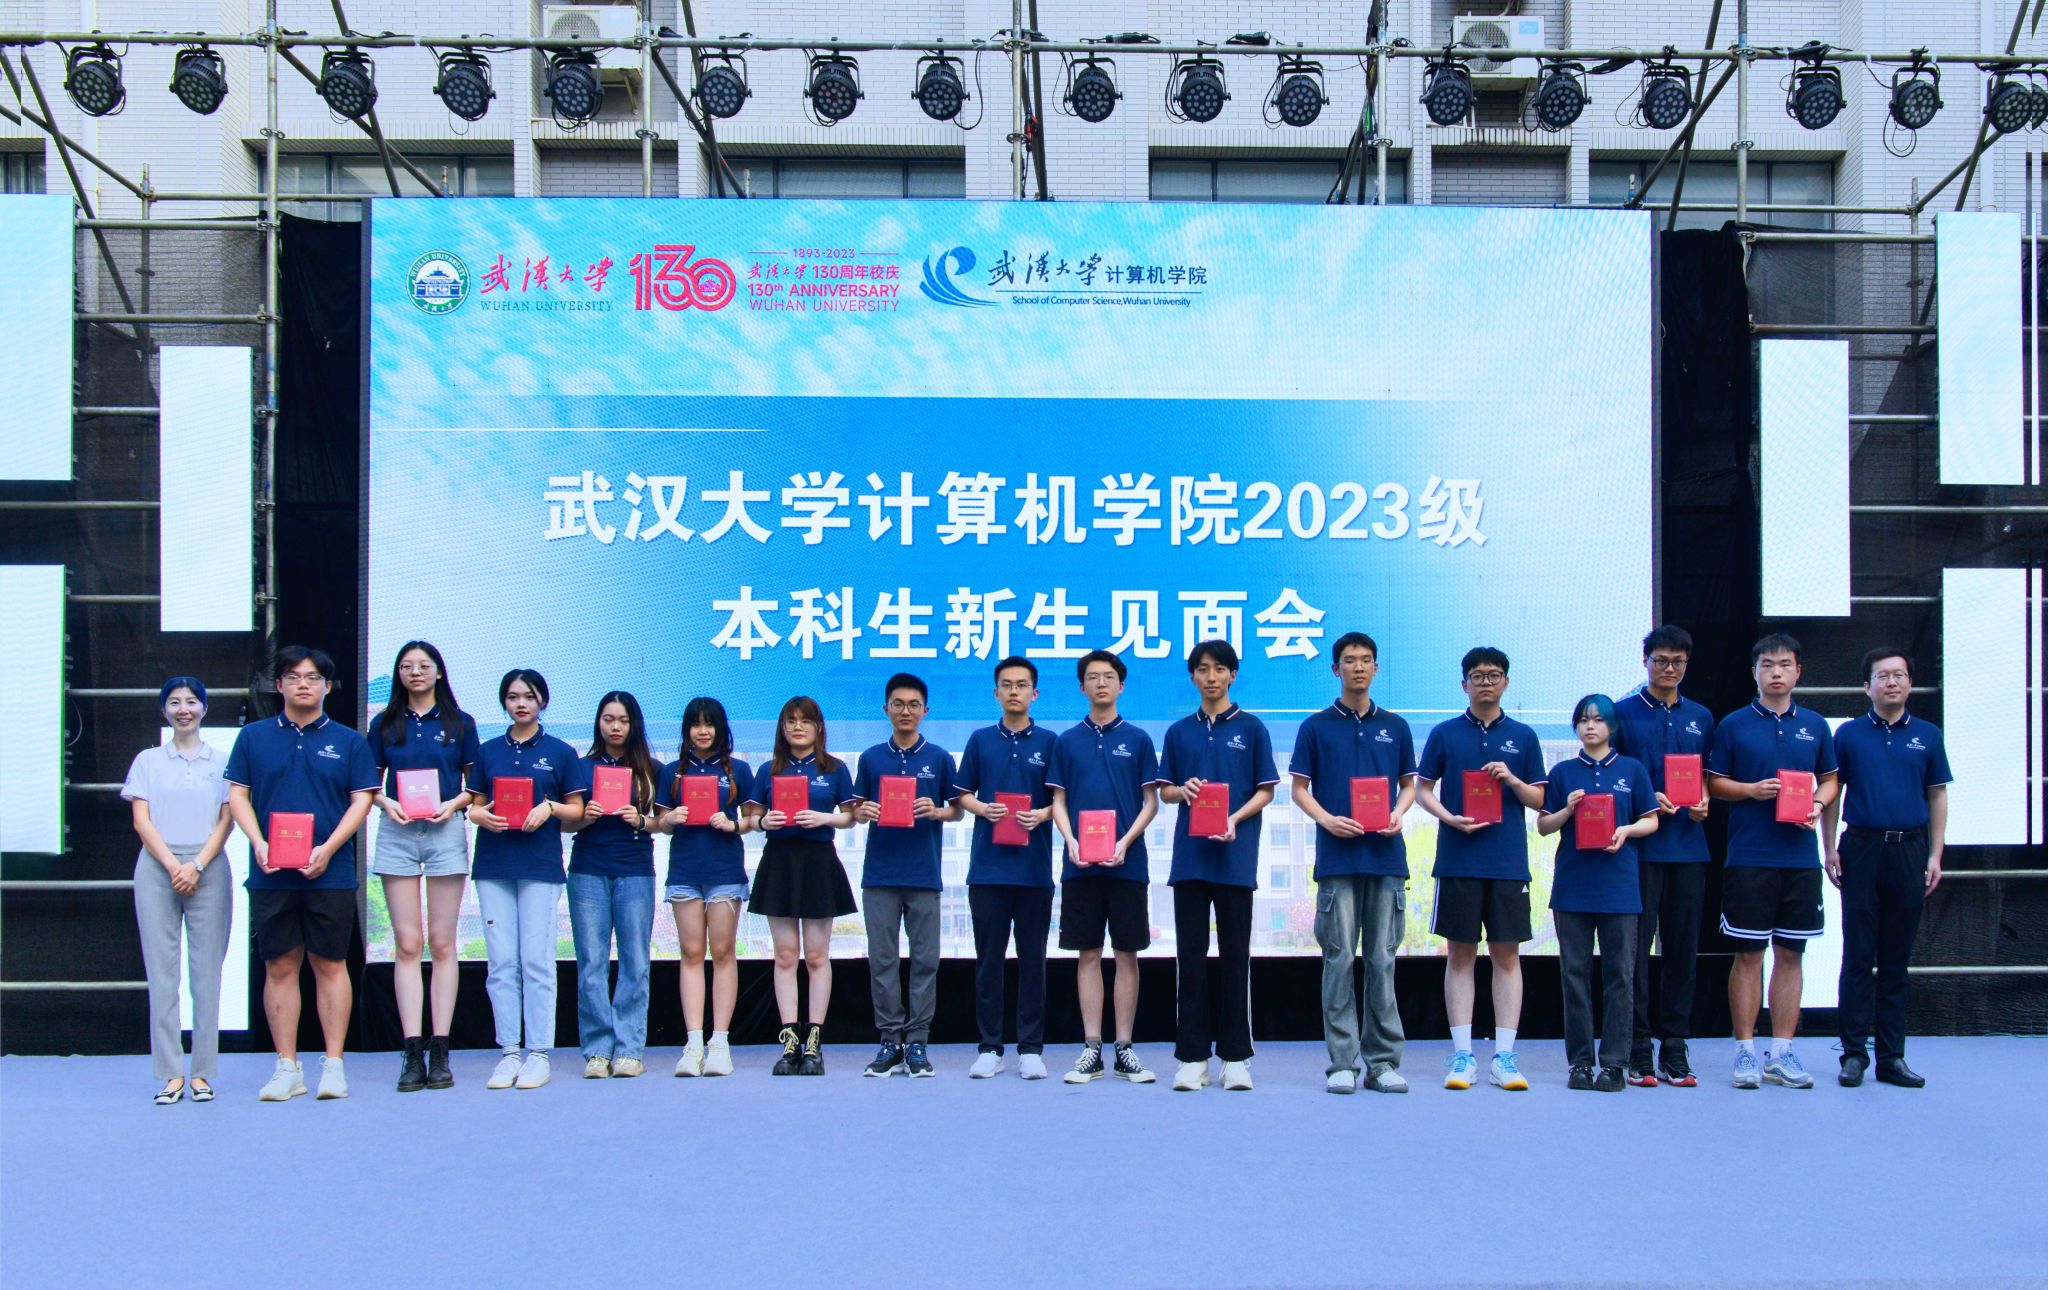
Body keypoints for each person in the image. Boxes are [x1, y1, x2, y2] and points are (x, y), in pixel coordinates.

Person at [225, 647, 379, 1103]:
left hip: (330, 872)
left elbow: (362, 800)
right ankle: (286, 1067)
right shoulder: (253, 737)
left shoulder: (350, 741)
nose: (303, 684)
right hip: (271, 871)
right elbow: (238, 795)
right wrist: (258, 842)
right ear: (279, 685)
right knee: (279, 965)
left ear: (327, 687)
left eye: (313, 678)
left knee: (330, 964)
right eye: (293, 677)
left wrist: (328, 848)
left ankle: (334, 1065)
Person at [1707, 632, 1839, 1091]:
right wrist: (1750, 790)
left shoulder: (1816, 726)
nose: (1776, 672)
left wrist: (1818, 805)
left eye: (1784, 665)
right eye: (1767, 665)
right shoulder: (1734, 724)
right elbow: (1714, 783)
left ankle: (1781, 1053)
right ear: (1755, 672)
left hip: (1800, 859)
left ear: (1798, 671)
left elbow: (1830, 780)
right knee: (1748, 954)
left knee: (1791, 953)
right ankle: (1744, 1051)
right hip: (1749, 857)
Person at [1414, 646, 1547, 1091]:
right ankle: (1463, 1056)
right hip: (1458, 859)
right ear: (1463, 684)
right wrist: (1449, 818)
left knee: (1507, 957)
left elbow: (1540, 799)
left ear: (1506, 682)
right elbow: (1423, 790)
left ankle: (1504, 1057)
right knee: (1460, 956)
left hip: (1508, 863)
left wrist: (1512, 779)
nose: (1485, 681)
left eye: (1493, 675)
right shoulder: (1445, 733)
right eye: (1477, 675)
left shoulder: (1523, 737)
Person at [1288, 632, 1415, 1095]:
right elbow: (1299, 789)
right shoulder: (1316, 726)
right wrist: (1327, 820)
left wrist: (1399, 813)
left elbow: (1409, 785)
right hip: (1337, 860)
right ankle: (1342, 1062)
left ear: (1376, 668)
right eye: (1349, 660)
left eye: (1365, 660)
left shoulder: (1395, 726)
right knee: (1339, 959)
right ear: (1335, 669)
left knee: (1382, 960)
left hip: (1386, 859)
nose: (1358, 667)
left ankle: (1382, 1062)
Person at [1823, 647, 1950, 1089]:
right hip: (1861, 848)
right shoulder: (1848, 735)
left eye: (1899, 675)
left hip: (1909, 849)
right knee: (1858, 954)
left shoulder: (1928, 735)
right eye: (1882, 676)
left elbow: (1937, 794)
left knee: (1896, 959)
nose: (1891, 682)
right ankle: (1853, 1054)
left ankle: (1891, 1058)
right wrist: (1829, 848)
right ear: (1867, 687)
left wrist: (1935, 854)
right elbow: (1833, 792)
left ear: (1910, 683)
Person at [1157, 640, 1279, 1093]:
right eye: (1203, 669)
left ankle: (1235, 1057)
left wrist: (1233, 819)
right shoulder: (1178, 732)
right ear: (1192, 676)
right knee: (1189, 960)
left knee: (1235, 959)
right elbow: (1164, 791)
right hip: (1190, 861)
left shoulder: (1252, 728)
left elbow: (1266, 790)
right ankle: (1192, 1058)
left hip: (1235, 859)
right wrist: (1182, 791)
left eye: (1220, 669)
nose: (1211, 677)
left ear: (1233, 675)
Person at [367, 640, 479, 1093]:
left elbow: (475, 786)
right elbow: (368, 784)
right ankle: (411, 1050)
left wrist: (453, 804)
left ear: (438, 672)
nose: (415, 672)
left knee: (443, 942)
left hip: (445, 830)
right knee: (408, 943)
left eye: (423, 665)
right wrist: (386, 803)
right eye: (407, 666)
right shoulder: (384, 723)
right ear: (399, 674)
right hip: (397, 831)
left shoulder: (459, 722)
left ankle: (441, 1050)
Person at [465, 669, 584, 1091]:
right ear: (504, 702)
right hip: (494, 866)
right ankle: (509, 1052)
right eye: (513, 697)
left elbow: (577, 810)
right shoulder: (487, 751)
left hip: (540, 866)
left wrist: (549, 808)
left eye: (529, 697)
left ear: (542, 702)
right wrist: (479, 816)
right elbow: (475, 806)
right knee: (501, 962)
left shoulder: (560, 752)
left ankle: (538, 1053)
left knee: (536, 960)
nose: (521, 703)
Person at [1047, 649, 1161, 1085]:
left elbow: (1150, 802)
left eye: (1108, 676)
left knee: (1127, 953)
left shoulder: (1138, 739)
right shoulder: (1066, 741)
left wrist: (1125, 841)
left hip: (1127, 864)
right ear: (1082, 687)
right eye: (1093, 677)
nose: (1101, 683)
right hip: (1080, 864)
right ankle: (1091, 1047)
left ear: (1121, 685)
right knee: (1088, 953)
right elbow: (1058, 801)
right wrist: (1072, 840)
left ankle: (1125, 1048)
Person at [1538, 695, 1660, 1092]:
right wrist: (1567, 810)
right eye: (1584, 720)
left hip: (1619, 888)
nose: (1590, 726)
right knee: (1574, 976)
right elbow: (1543, 826)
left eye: (1598, 720)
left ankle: (1614, 1064)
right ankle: (1579, 1063)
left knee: (1620, 977)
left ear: (1612, 726)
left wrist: (1626, 831)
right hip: (1573, 889)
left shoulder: (1631, 769)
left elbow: (1651, 820)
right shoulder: (1563, 772)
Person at [1611, 625, 1715, 1087]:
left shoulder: (1701, 716)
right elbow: (1610, 776)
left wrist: (1704, 798)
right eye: (1661, 661)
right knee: (1634, 952)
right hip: (1640, 850)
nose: (1669, 668)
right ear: (1645, 661)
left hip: (1689, 847)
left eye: (1677, 662)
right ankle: (1637, 1045)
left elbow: (1707, 774)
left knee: (1682, 951)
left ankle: (1675, 1045)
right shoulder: (1622, 713)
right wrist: (1645, 796)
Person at [124, 677, 233, 1104]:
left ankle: (202, 1073)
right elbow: (141, 820)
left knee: (207, 976)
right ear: (164, 710)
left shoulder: (222, 761)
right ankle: (170, 1074)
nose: (183, 709)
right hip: (158, 868)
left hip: (208, 867)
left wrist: (198, 864)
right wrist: (174, 865)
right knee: (162, 975)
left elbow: (227, 819)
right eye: (174, 702)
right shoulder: (148, 760)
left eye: (191, 701)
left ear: (204, 708)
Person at [954, 657, 1061, 1080]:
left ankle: (1031, 1048)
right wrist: (983, 808)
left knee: (1033, 961)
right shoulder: (980, 740)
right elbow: (962, 794)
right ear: (996, 692)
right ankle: (990, 1047)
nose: (1014, 691)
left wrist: (1043, 814)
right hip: (987, 871)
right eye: (1007, 684)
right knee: (989, 962)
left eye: (1022, 685)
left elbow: (1063, 800)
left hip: (1034, 872)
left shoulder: (1051, 742)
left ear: (1035, 693)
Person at [852, 673, 961, 1078]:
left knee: (925, 961)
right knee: (882, 960)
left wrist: (937, 810)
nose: (906, 711)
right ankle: (889, 1040)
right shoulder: (870, 758)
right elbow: (855, 809)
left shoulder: (940, 758)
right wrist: (863, 811)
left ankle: (917, 1042)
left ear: (925, 711)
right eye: (898, 704)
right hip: (880, 875)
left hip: (923, 874)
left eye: (914, 705)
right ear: (886, 709)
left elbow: (957, 810)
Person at [746, 696, 858, 1076]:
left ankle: (814, 1044)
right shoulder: (768, 770)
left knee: (815, 956)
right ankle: (789, 1043)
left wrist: (823, 817)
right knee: (784, 955)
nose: (798, 727)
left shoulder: (835, 768)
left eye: (805, 721)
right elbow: (752, 818)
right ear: (782, 727)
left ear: (818, 727)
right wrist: (765, 822)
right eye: (791, 721)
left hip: (818, 862)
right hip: (779, 863)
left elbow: (850, 817)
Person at [561, 691, 661, 1080]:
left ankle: (630, 1050)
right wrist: (584, 817)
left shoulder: (651, 768)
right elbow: (565, 823)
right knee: (591, 962)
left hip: (635, 869)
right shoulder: (580, 767)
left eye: (623, 720)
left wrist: (641, 820)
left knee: (635, 961)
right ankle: (598, 1050)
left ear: (634, 724)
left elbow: (664, 823)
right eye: (608, 719)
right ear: (598, 723)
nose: (615, 727)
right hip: (588, 869)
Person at [655, 697, 754, 1077]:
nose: (703, 731)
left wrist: (733, 824)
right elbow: (661, 821)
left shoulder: (738, 769)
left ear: (721, 728)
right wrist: (672, 819)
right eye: (696, 724)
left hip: (724, 870)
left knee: (724, 952)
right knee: (691, 953)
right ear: (686, 730)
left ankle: (720, 1043)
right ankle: (693, 1043)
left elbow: (754, 818)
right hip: (685, 871)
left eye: (709, 724)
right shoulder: (672, 772)